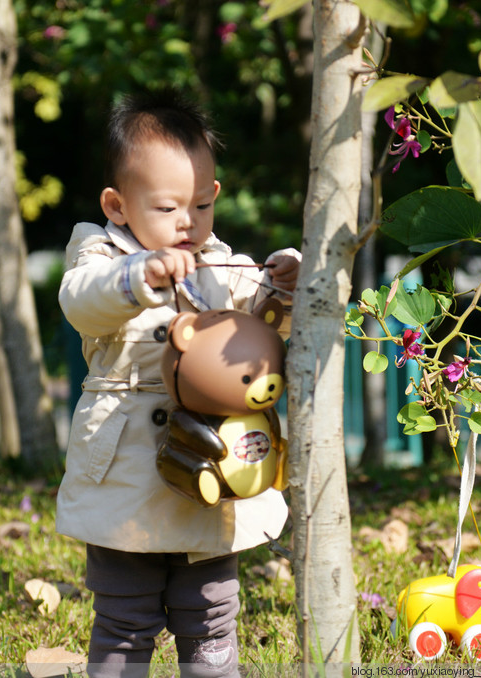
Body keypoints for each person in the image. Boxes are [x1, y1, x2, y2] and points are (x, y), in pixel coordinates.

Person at [56, 90, 301, 678]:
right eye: (167, 209)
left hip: (211, 464)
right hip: (126, 475)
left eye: (199, 206)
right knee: (124, 615)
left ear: (213, 196)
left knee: (211, 612)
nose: (187, 224)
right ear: (118, 205)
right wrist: (136, 276)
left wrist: (285, 285)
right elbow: (81, 301)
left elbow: (264, 326)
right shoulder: (98, 251)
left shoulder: (223, 263)